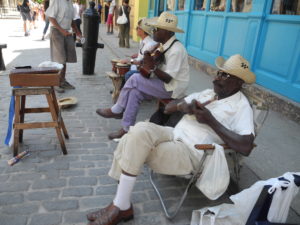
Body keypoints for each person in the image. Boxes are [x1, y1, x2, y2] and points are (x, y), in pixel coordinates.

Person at [86, 54, 256, 225]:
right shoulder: (207, 93)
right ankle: (121, 204)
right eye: (219, 72)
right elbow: (167, 108)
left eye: (225, 75)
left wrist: (210, 121)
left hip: (191, 151)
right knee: (137, 130)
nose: (217, 77)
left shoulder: (241, 107)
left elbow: (246, 146)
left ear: (239, 82)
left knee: (133, 143)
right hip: (173, 134)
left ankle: (120, 205)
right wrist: (184, 106)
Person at [96, 12, 189, 140]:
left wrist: (153, 67)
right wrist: (148, 60)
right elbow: (154, 65)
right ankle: (126, 128)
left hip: (173, 90)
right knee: (135, 92)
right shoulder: (163, 46)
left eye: (156, 29)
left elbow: (168, 78)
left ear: (166, 31)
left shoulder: (177, 50)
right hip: (164, 85)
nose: (153, 31)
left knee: (134, 79)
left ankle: (117, 109)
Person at [45, 0, 82, 93]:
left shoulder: (70, 3)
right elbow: (51, 17)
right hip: (57, 31)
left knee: (65, 58)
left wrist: (77, 31)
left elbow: (71, 20)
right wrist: (61, 30)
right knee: (59, 59)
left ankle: (62, 81)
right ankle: (56, 83)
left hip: (67, 31)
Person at [119, 17, 157, 81]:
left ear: (142, 31)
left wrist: (129, 61)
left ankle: (126, 88)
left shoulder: (149, 45)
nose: (136, 30)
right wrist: (138, 54)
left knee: (128, 73)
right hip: (138, 64)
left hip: (143, 69)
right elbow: (142, 56)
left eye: (138, 28)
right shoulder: (142, 41)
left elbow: (141, 62)